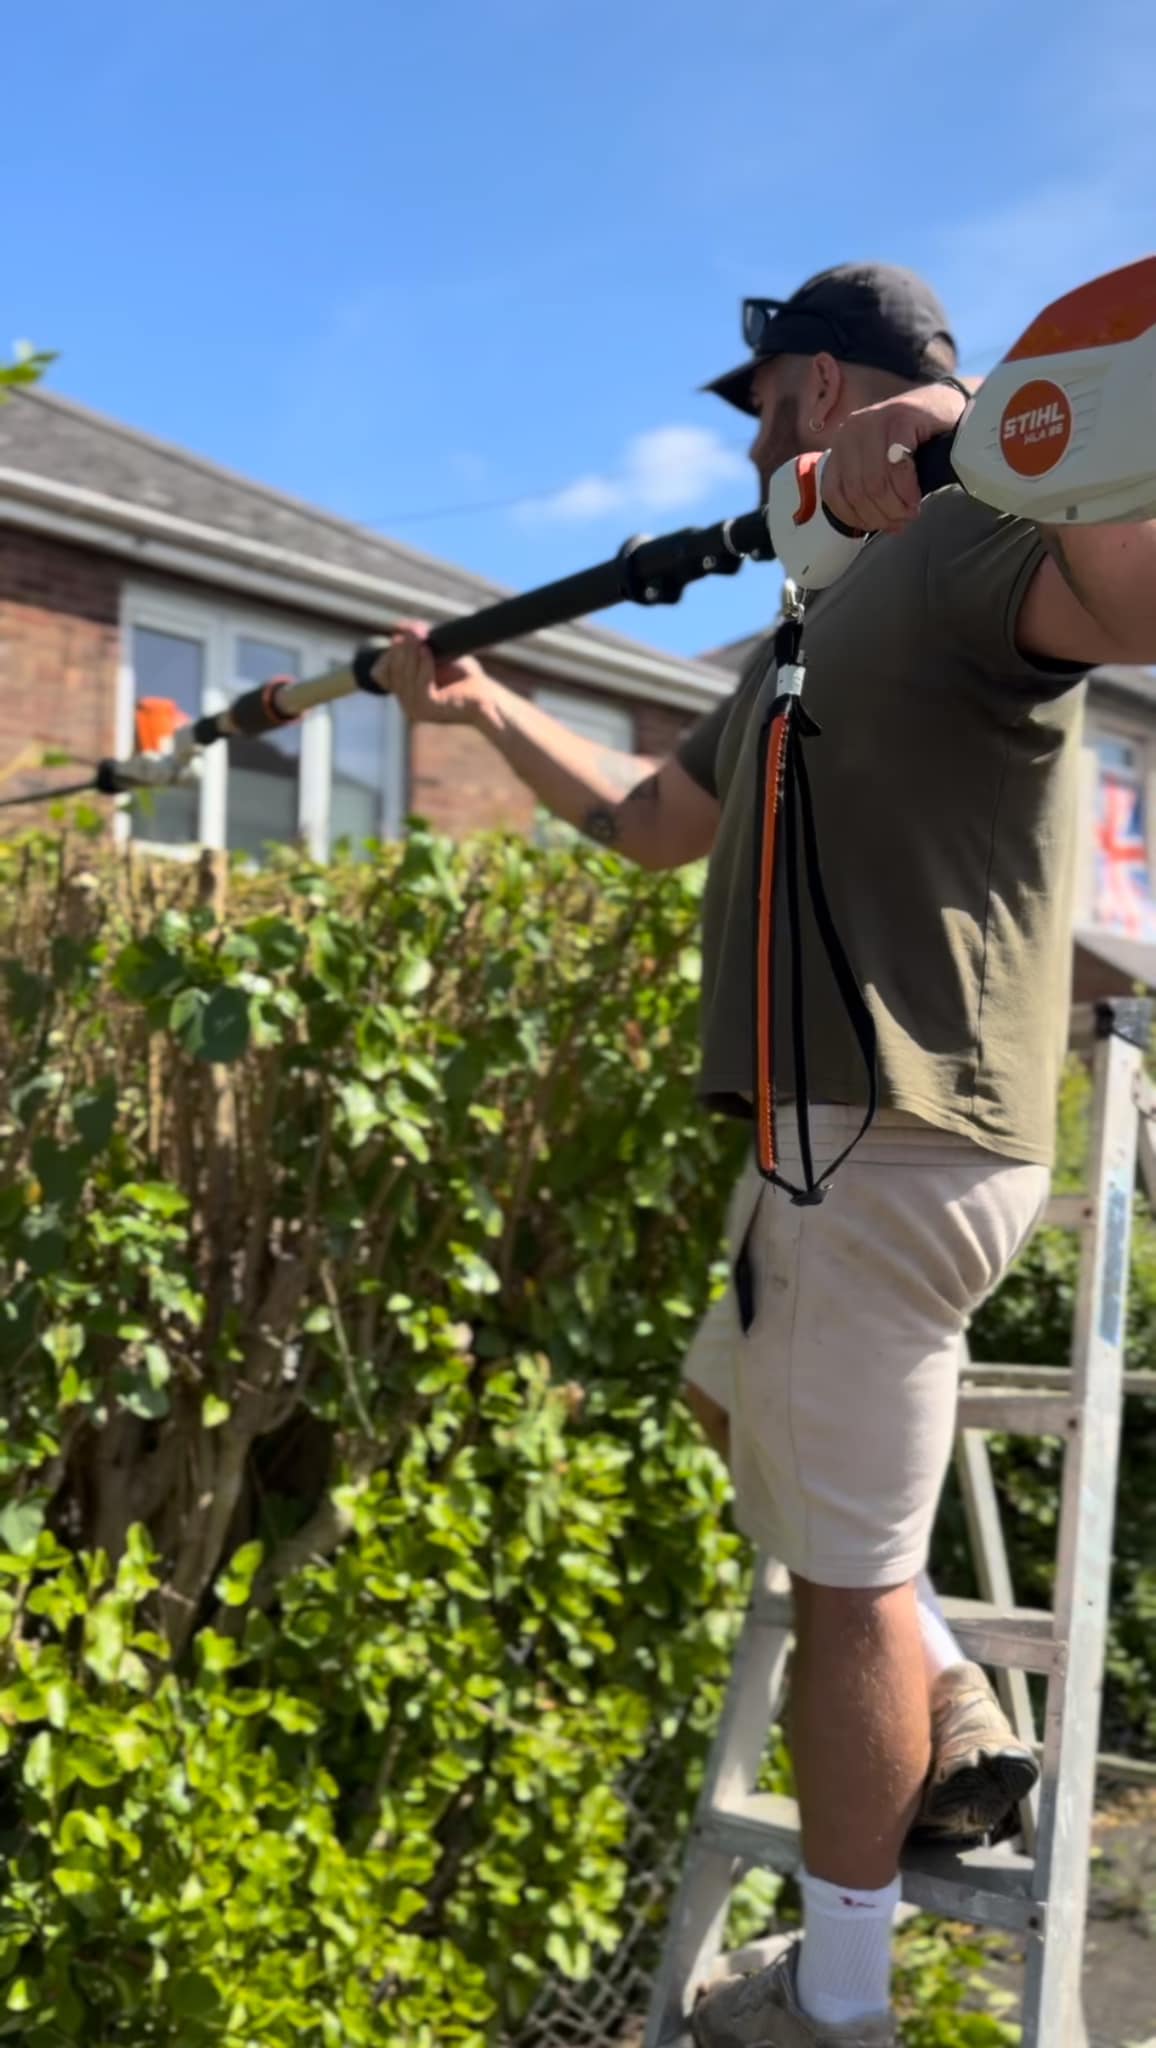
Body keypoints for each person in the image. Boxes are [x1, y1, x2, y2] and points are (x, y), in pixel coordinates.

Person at [373, 261, 1156, 2047]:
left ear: (816, 386)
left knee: (843, 1584)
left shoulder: (977, 535)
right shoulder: (814, 614)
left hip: (886, 1132)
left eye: (764, 409)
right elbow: (648, 822)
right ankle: (955, 1696)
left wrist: (970, 431)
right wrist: (478, 708)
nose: (751, 452)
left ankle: (840, 2000)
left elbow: (1132, 588)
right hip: (828, 1150)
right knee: (727, 1393)